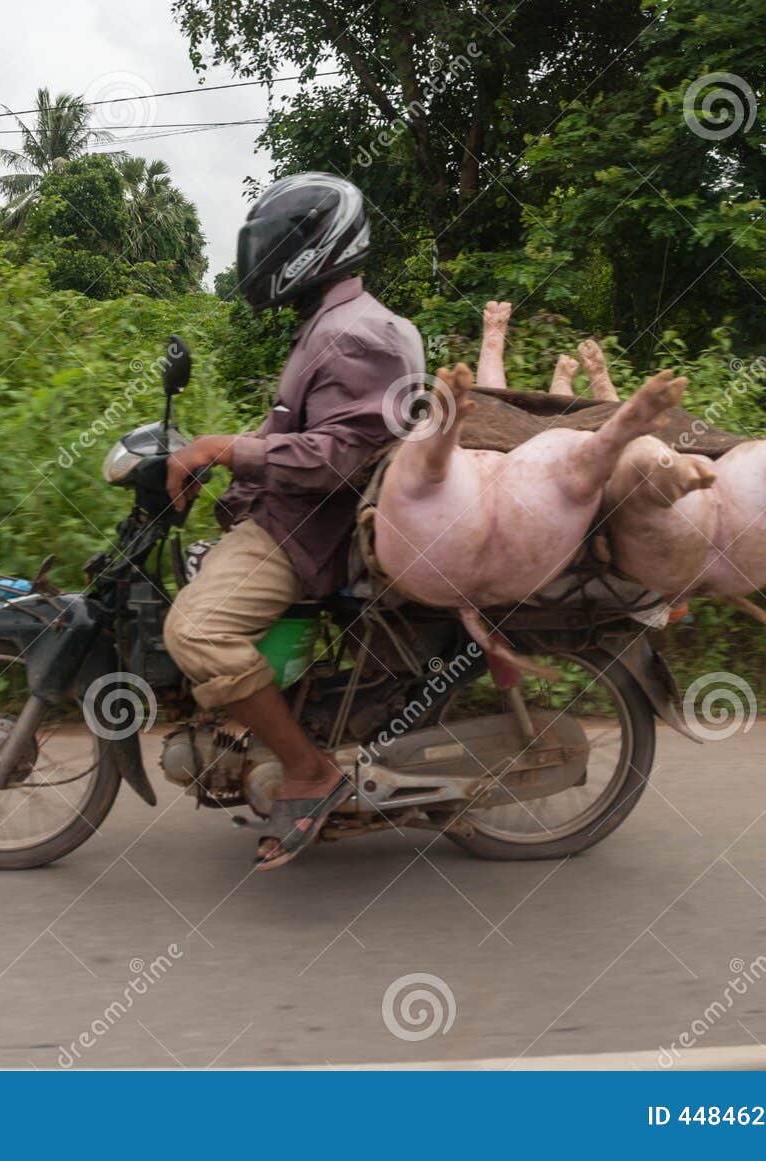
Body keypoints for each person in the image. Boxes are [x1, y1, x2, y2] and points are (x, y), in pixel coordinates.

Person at [161, 173, 424, 871]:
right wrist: (226, 454)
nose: (267, 259)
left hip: (308, 533)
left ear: (318, 247)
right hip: (294, 518)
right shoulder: (337, 324)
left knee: (195, 628)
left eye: (279, 245)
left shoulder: (351, 335)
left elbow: (338, 457)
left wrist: (223, 448)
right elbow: (310, 432)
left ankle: (307, 770)